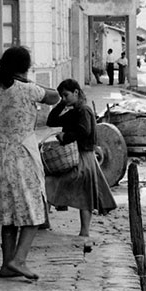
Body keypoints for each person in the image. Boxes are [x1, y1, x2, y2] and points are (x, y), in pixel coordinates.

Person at [0, 46, 60, 280]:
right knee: (34, 210)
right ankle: (19, 260)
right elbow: (54, 96)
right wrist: (25, 79)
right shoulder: (28, 89)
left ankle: (6, 264)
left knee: (8, 214)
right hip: (22, 155)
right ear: (25, 67)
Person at [46, 79, 117, 239]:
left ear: (76, 92)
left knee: (60, 186)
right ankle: (79, 230)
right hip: (77, 157)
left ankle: (84, 231)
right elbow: (51, 121)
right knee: (81, 193)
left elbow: (83, 131)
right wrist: (62, 103)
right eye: (62, 96)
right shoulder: (74, 110)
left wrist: (66, 137)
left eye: (66, 95)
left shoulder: (83, 111)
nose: (63, 98)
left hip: (83, 157)